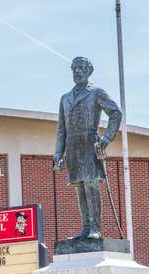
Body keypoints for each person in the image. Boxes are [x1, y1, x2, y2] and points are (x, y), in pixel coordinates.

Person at [54, 56, 122, 239]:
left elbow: (115, 113)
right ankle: (85, 227)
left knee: (91, 185)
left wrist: (107, 138)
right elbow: (61, 128)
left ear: (89, 71)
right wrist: (58, 154)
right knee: (80, 188)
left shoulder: (96, 93)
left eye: (81, 68)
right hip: (72, 147)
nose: (77, 72)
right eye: (74, 68)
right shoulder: (65, 99)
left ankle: (95, 228)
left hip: (89, 144)